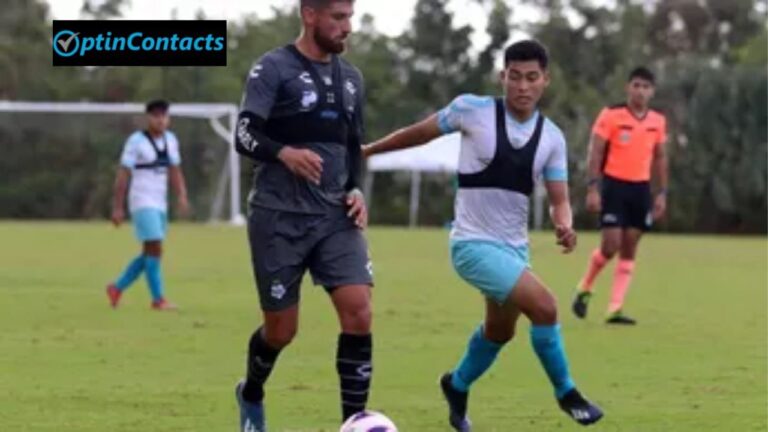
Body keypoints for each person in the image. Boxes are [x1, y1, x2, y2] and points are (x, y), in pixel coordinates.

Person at [363, 40, 603, 431]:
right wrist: (369, 150)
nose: (522, 86)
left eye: (531, 78)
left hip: (514, 249)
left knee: (500, 331)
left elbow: (559, 198)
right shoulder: (472, 110)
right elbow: (419, 133)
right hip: (471, 245)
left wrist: (565, 223)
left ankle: (456, 385)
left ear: (546, 80)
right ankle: (567, 393)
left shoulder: (552, 138)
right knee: (545, 307)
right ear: (502, 76)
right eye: (515, 77)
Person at [232, 0, 373, 430]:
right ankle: (251, 392)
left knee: (359, 310)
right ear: (309, 15)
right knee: (281, 331)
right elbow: (244, 133)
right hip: (279, 217)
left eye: (350, 17)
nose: (346, 27)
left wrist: (355, 189)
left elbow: (354, 147)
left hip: (335, 214)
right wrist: (284, 154)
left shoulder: (352, 79)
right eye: (337, 17)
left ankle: (354, 423)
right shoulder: (272, 68)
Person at [571, 67, 668, 325]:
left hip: (641, 189)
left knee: (630, 245)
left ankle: (615, 308)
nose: (640, 91)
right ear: (628, 87)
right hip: (614, 186)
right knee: (610, 245)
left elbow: (660, 157)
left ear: (652, 92)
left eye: (646, 87)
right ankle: (585, 287)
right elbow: (595, 152)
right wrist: (593, 187)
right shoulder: (611, 115)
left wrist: (661, 194)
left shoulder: (657, 121)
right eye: (636, 85)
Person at [106, 99, 189, 311]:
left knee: (151, 252)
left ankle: (117, 287)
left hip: (160, 202)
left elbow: (175, 171)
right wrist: (118, 206)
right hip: (142, 200)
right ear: (148, 118)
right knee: (155, 247)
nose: (160, 120)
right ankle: (158, 299)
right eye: (155, 115)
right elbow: (123, 173)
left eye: (164, 115)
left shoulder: (171, 140)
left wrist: (181, 196)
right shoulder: (136, 142)